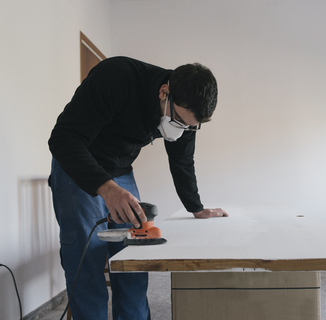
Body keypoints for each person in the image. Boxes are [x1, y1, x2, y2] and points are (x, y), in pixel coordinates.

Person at [48, 56, 228, 320]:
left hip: (120, 170)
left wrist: (196, 207)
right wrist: (108, 190)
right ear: (164, 92)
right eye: (179, 121)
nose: (183, 130)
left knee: (132, 257)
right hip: (78, 165)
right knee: (86, 261)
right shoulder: (116, 78)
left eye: (191, 127)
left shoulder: (184, 112)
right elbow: (63, 139)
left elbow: (182, 161)